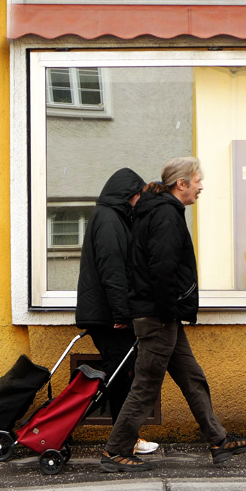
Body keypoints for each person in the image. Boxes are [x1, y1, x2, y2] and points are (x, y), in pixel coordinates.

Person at [100, 157, 246, 472]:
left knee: (192, 377)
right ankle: (115, 451)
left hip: (162, 314)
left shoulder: (158, 211)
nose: (201, 186)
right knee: (146, 384)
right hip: (159, 316)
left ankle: (218, 439)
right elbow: (162, 269)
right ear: (181, 183)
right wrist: (167, 312)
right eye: (198, 180)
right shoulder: (165, 215)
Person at [75, 168, 159, 456]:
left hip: (106, 313)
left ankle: (126, 438)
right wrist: (122, 315)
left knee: (121, 374)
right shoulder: (110, 220)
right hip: (109, 316)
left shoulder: (112, 217)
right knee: (120, 376)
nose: (139, 203)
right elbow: (113, 272)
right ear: (129, 195)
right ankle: (125, 440)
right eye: (138, 197)